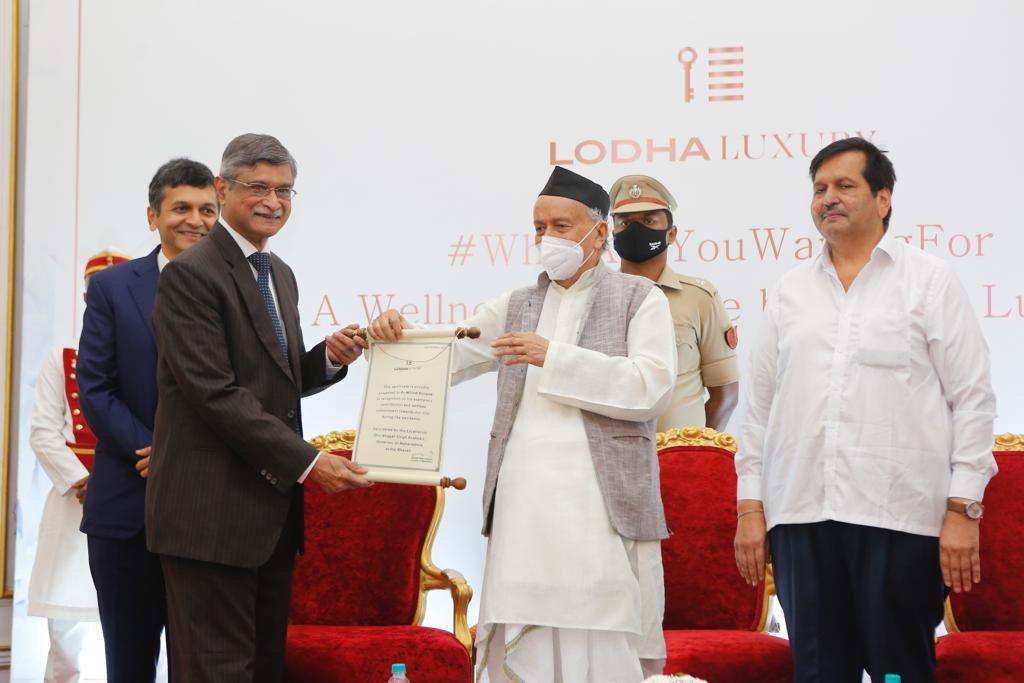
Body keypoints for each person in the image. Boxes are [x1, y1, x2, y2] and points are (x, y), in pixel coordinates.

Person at [368, 166, 677, 682]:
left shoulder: (639, 299)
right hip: (524, 504)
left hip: (601, 506)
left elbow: (652, 386)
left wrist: (552, 356)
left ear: (599, 233)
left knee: (598, 631)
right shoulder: (515, 305)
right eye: (539, 228)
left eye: (561, 226)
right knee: (523, 638)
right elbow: (446, 354)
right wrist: (392, 334)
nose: (548, 239)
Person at [734, 137, 997, 683]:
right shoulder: (789, 292)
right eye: (819, 189)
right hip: (802, 514)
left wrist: (962, 507)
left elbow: (971, 398)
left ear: (883, 198)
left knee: (899, 669)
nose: (828, 198)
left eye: (844, 186)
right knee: (818, 672)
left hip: (899, 515)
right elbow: (758, 411)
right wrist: (750, 509)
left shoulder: (929, 280)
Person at [145, 133, 370, 683]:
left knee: (263, 669)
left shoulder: (278, 274)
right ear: (222, 188)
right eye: (259, 188)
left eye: (286, 190)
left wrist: (329, 359)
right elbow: (215, 393)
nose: (275, 202)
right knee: (216, 672)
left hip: (268, 516)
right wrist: (310, 462)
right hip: (209, 519)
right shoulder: (190, 274)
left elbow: (277, 380)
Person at [77, 158, 219, 682]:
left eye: (208, 209)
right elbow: (95, 385)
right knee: (129, 663)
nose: (195, 220)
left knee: (201, 664)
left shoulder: (238, 286)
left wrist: (181, 459)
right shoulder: (114, 287)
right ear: (152, 216)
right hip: (126, 508)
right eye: (181, 207)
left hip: (208, 513)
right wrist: (154, 451)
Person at [27, 249, 128, 683]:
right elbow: (43, 432)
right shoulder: (62, 355)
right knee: (65, 625)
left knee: (132, 615)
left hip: (132, 492)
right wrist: (83, 480)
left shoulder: (148, 349)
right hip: (77, 499)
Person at [607, 175, 738, 432]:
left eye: (648, 220)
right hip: (610, 465)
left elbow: (726, 394)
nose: (635, 229)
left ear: (672, 234)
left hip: (680, 463)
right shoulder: (593, 298)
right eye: (625, 222)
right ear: (611, 232)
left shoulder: (699, 298)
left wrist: (696, 452)